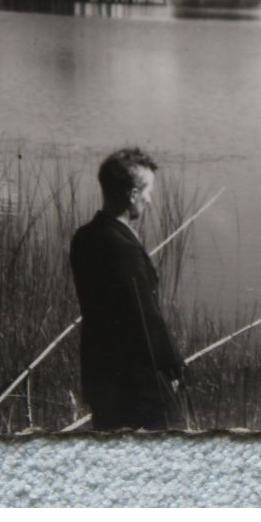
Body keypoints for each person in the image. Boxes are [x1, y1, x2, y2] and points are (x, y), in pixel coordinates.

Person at [69, 148, 186, 431]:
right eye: (147, 192)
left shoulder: (85, 237)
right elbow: (145, 317)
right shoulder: (123, 248)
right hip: (138, 382)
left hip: (102, 376)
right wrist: (172, 366)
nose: (150, 199)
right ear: (132, 194)